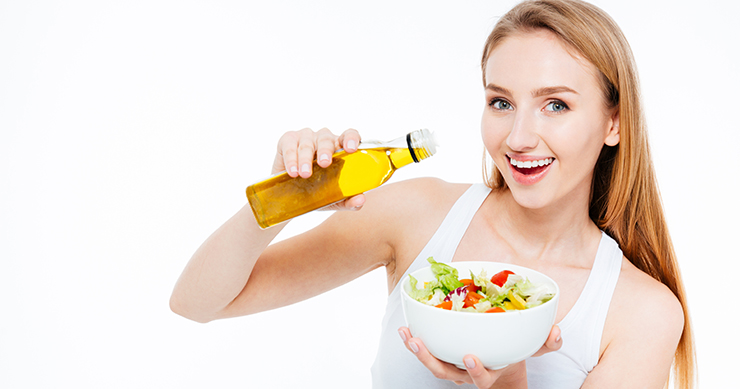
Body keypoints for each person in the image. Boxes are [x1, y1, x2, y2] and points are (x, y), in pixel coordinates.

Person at [170, 0, 695, 387]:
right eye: (501, 102)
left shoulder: (642, 313)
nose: (518, 138)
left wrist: (510, 382)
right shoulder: (417, 215)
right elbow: (197, 303)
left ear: (614, 123)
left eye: (555, 104)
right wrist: (283, 198)